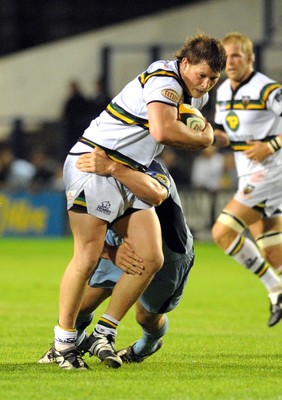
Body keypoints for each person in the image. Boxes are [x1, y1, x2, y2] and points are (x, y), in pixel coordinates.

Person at [47, 33, 226, 370]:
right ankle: (64, 343)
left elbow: (186, 130)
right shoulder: (165, 81)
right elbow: (161, 132)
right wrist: (204, 138)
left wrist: (207, 134)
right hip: (96, 163)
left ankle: (104, 331)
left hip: (128, 170)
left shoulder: (192, 96)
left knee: (150, 256)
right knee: (86, 257)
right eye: (200, 75)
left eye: (213, 79)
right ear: (184, 63)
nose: (204, 85)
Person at [38, 149, 194, 367]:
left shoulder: (150, 166)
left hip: (169, 252)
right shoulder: (86, 172)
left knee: (146, 317)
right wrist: (110, 251)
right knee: (80, 306)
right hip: (118, 246)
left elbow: (156, 194)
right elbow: (84, 233)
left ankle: (148, 344)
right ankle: (69, 346)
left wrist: (114, 168)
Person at [211, 32, 282, 327]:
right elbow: (228, 134)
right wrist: (206, 137)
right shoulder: (224, 90)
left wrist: (271, 145)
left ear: (250, 58)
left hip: (272, 172)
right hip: (249, 175)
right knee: (272, 250)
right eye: (226, 56)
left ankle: (275, 289)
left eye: (237, 55)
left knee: (222, 232)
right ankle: (278, 289)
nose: (230, 61)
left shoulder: (268, 89)